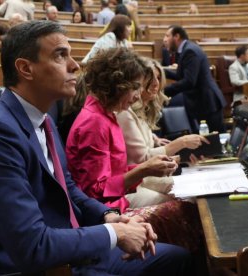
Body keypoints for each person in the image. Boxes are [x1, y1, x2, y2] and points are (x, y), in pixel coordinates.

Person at [0, 20, 191, 275]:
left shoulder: (45, 121)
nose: (75, 65)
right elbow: (32, 246)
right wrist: (114, 233)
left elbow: (71, 190)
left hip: (68, 248)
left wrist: (107, 217)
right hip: (40, 267)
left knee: (179, 258)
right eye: (60, 55)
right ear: (25, 68)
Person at [66, 47, 203, 254]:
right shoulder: (94, 122)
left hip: (116, 201)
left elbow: (114, 171)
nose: (139, 95)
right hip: (106, 213)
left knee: (188, 199)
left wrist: (147, 168)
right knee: (187, 209)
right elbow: (94, 192)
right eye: (135, 87)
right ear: (117, 85)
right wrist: (143, 169)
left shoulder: (106, 114)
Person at [116, 59, 209, 206]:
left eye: (158, 78)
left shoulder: (142, 109)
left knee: (194, 192)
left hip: (145, 177)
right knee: (183, 202)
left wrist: (160, 143)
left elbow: (144, 144)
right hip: (135, 181)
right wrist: (181, 143)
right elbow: (143, 159)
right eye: (150, 78)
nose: (155, 84)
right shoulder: (125, 113)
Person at [163, 25, 226, 134]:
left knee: (216, 140)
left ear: (176, 36)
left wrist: (163, 91)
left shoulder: (189, 51)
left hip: (208, 102)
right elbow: (180, 75)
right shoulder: (187, 49)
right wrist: (161, 71)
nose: (164, 40)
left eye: (167, 36)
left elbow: (189, 81)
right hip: (203, 102)